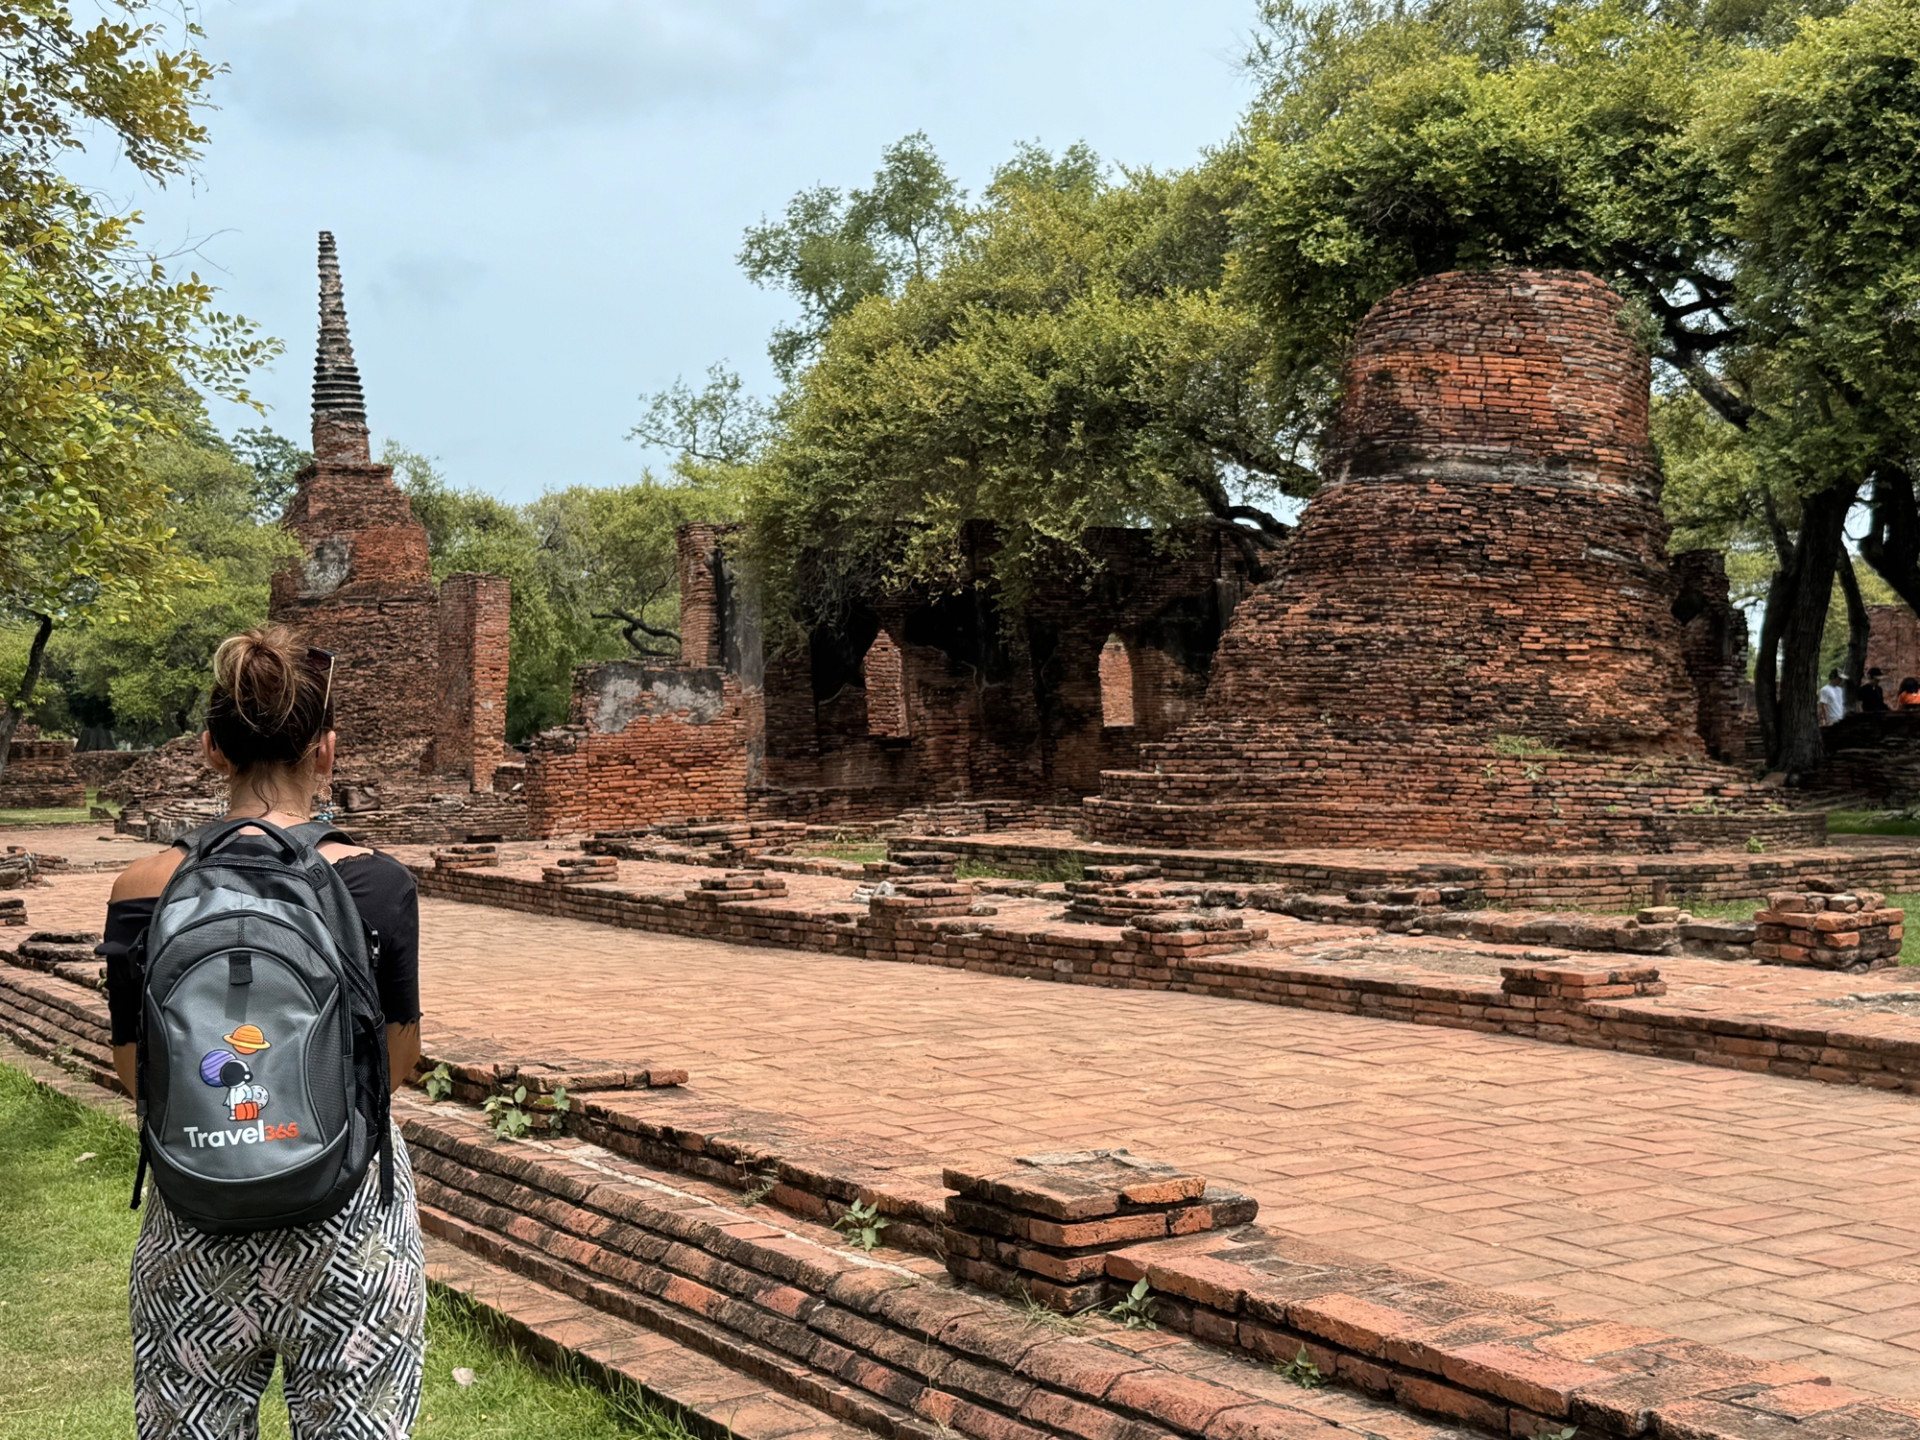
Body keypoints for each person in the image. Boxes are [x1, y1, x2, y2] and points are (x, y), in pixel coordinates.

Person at [101, 628, 425, 1439]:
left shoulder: (142, 886)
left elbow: (134, 1073)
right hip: (346, 1218)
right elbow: (399, 1065)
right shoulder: (377, 882)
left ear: (212, 751)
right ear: (327, 751)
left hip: (195, 1208)